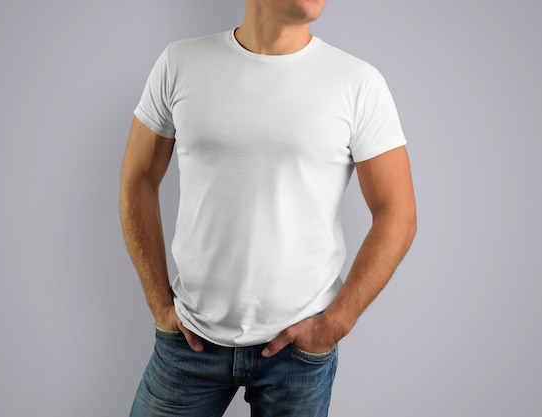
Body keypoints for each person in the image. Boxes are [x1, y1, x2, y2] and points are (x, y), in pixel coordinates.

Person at [119, 0, 417, 415]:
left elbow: (397, 213)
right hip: (189, 342)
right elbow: (138, 180)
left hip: (297, 355)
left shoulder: (357, 82)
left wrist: (333, 326)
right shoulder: (180, 63)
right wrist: (158, 302)